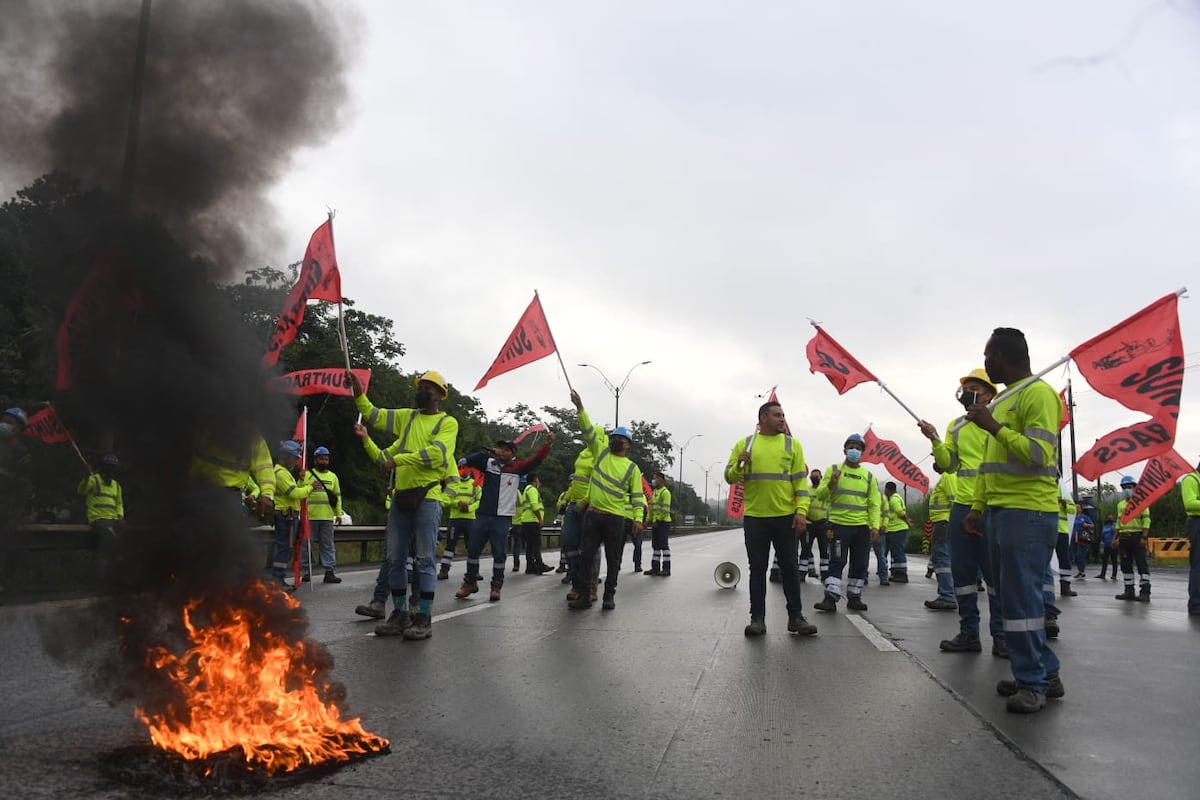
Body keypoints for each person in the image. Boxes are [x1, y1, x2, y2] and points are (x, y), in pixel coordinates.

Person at [965, 327, 1064, 714]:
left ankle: (1033, 683)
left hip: (1028, 511)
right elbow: (992, 466)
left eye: (988, 355)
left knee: (1023, 601)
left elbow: (1040, 454)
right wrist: (979, 507)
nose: (985, 363)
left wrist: (994, 426)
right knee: (1010, 600)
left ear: (1002, 357)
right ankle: (1043, 672)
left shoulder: (1038, 394)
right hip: (1001, 511)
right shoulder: (1006, 400)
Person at [352, 369, 459, 640]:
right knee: (395, 559)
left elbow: (436, 456)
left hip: (428, 497)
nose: (422, 391)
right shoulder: (407, 419)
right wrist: (358, 396)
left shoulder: (448, 423)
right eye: (420, 386)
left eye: (428, 388)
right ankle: (399, 615)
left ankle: (423, 618)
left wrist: (398, 461)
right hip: (402, 497)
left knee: (424, 559)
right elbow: (374, 415)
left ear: (439, 396)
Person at [917, 369, 1006, 658]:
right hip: (962, 506)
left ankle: (1002, 636)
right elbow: (947, 465)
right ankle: (969, 633)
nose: (968, 392)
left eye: (974, 388)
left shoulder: (1000, 419)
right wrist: (934, 439)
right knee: (963, 574)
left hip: (994, 505)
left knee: (995, 576)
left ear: (990, 393)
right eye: (965, 388)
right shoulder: (956, 426)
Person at [723, 401, 817, 636]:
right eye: (777, 415)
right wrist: (739, 465)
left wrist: (802, 511)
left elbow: (800, 484)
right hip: (755, 517)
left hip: (785, 517)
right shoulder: (745, 444)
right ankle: (757, 620)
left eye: (783, 415)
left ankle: (796, 617)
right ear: (763, 418)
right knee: (757, 569)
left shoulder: (792, 444)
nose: (782, 419)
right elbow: (729, 476)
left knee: (790, 568)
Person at [567, 390, 645, 612]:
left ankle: (609, 596)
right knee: (585, 556)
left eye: (620, 439)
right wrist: (580, 407)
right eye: (613, 437)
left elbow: (638, 498)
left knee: (614, 560)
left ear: (627, 445)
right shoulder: (600, 453)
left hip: (616, 520)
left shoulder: (632, 468)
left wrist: (638, 519)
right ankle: (584, 594)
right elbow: (588, 430)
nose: (615, 440)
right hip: (593, 515)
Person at [455, 435, 553, 602]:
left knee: (499, 553)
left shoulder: (517, 468)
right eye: (500, 448)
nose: (502, 451)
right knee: (472, 550)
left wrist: (548, 444)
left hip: (502, 518)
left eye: (506, 449)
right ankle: (470, 582)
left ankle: (496, 586)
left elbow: (537, 459)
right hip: (483, 515)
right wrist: (488, 454)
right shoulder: (488, 463)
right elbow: (472, 459)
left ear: (513, 454)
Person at [813, 433, 881, 614]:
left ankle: (855, 597)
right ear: (844, 449)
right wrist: (830, 484)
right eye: (851, 447)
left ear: (863, 452)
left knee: (860, 563)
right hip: (838, 526)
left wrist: (875, 526)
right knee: (837, 561)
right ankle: (830, 598)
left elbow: (874, 504)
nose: (854, 451)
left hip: (861, 528)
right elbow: (820, 495)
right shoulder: (833, 469)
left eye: (858, 448)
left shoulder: (868, 476)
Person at [272, 440, 313, 592]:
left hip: (289, 516)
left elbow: (295, 489)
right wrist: (310, 487)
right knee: (284, 548)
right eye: (295, 458)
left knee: (286, 549)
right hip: (286, 517)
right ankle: (277, 580)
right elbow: (294, 493)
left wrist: (302, 481)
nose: (296, 461)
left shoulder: (283, 473)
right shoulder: (281, 473)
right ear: (286, 456)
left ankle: (279, 579)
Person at [304, 445, 343, 584]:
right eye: (321, 459)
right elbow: (299, 491)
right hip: (310, 517)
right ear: (315, 460)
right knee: (307, 544)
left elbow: (337, 496)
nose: (324, 461)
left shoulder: (333, 477)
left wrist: (338, 514)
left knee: (328, 546)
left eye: (326, 459)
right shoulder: (307, 475)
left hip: (327, 517)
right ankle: (306, 571)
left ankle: (329, 572)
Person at [438, 460, 480, 581]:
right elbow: (446, 499)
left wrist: (469, 508)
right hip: (455, 519)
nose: (463, 470)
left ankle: (474, 572)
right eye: (461, 467)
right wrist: (458, 504)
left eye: (465, 467)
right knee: (450, 546)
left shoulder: (475, 484)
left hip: (470, 520)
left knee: (472, 547)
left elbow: (480, 501)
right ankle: (444, 570)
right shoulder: (452, 483)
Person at [923, 469, 958, 611]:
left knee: (942, 558)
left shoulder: (949, 475)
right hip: (942, 521)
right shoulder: (949, 476)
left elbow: (954, 500)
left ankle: (947, 595)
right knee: (944, 558)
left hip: (944, 521)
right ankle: (948, 593)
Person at [1113, 474, 1151, 603]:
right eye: (1124, 487)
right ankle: (1129, 591)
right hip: (1124, 538)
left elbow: (1146, 521)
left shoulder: (1141, 502)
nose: (1126, 490)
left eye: (1129, 487)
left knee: (1142, 565)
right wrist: (1115, 537)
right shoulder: (1120, 505)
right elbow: (1119, 522)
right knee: (1126, 566)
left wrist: (1144, 537)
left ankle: (1145, 592)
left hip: (1137, 536)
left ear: (1135, 487)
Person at [77, 454, 124, 539]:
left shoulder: (116, 485)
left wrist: (120, 516)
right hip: (98, 518)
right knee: (110, 537)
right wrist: (86, 477)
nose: (111, 470)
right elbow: (81, 491)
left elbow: (119, 503)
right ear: (103, 467)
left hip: (113, 520)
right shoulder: (93, 479)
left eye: (113, 467)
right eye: (109, 467)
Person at [798, 468, 830, 581]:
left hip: (822, 524)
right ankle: (802, 572)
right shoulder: (807, 490)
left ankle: (825, 573)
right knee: (805, 549)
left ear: (821, 478)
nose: (814, 478)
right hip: (809, 524)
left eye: (817, 476)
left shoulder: (825, 491)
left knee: (824, 550)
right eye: (813, 476)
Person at [519, 474, 554, 574]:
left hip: (526, 520)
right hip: (532, 520)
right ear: (534, 480)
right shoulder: (533, 490)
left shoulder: (526, 490)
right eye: (538, 479)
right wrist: (540, 519)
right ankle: (540, 565)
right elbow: (534, 506)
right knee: (536, 544)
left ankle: (530, 566)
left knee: (530, 545)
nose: (539, 482)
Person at [880, 481, 912, 583]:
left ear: (887, 489)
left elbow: (899, 512)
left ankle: (901, 574)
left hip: (897, 529)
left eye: (885, 489)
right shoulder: (897, 497)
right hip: (896, 529)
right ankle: (895, 572)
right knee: (895, 552)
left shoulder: (893, 499)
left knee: (898, 552)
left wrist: (907, 520)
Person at [1182, 459, 1200, 617]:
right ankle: (1195, 603)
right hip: (1197, 522)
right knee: (1198, 564)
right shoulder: (1191, 479)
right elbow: (1189, 504)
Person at [646, 472, 673, 576]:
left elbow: (665, 510)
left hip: (663, 523)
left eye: (655, 479)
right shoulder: (655, 492)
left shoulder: (665, 493)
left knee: (663, 545)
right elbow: (652, 509)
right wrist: (648, 521)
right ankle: (655, 568)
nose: (654, 481)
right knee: (655, 546)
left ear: (661, 480)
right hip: (655, 523)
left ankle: (666, 568)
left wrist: (657, 521)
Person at [1055, 491, 1077, 597]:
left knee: (1064, 559)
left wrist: (1064, 504)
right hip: (1047, 529)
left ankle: (1066, 587)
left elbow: (1073, 510)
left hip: (1062, 531)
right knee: (1043, 559)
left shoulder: (1063, 492)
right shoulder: (1044, 487)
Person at [1071, 502, 1094, 579]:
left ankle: (1082, 571)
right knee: (1075, 555)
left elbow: (1092, 525)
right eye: (1075, 507)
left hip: (1081, 538)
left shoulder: (1085, 517)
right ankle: (1079, 570)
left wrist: (1087, 525)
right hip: (1073, 538)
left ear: (1081, 509)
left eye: (1078, 507)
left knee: (1080, 554)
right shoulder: (1072, 517)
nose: (1077, 509)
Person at [1095, 515, 1118, 580]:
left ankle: (1114, 575)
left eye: (1111, 518)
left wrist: (1114, 530)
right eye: (1108, 518)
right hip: (1106, 545)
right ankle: (1102, 574)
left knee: (1114, 560)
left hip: (1113, 545)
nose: (1109, 519)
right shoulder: (1105, 526)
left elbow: (1117, 533)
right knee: (1104, 560)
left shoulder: (1115, 524)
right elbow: (1103, 534)